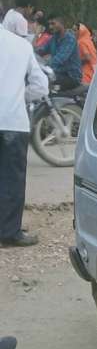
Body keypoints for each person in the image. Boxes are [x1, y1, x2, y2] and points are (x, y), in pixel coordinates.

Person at [0, 27, 49, 247]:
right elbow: (40, 86)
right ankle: (9, 232)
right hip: (13, 120)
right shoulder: (21, 45)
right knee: (12, 179)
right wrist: (20, 97)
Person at [37, 12, 82, 90]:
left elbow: (59, 59)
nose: (50, 26)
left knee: (42, 82)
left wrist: (43, 66)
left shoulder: (69, 39)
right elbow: (42, 50)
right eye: (49, 24)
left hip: (70, 77)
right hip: (58, 73)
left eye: (53, 23)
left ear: (61, 23)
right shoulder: (54, 38)